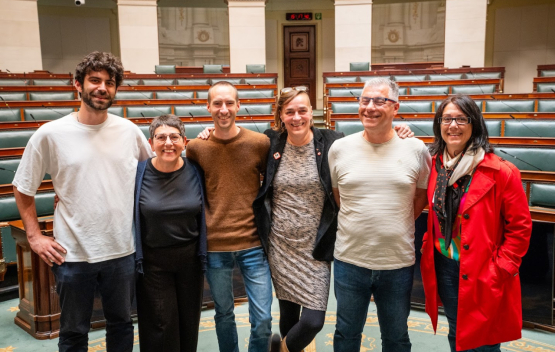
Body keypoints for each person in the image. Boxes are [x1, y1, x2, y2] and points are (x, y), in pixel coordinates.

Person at [253, 87, 414, 352]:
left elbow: (367, 141)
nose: (296, 117)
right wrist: (207, 133)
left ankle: (280, 350)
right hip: (281, 244)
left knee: (313, 320)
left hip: (316, 245)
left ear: (311, 113)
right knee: (289, 315)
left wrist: (399, 132)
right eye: (289, 111)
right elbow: (237, 145)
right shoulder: (269, 142)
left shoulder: (332, 141)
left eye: (302, 110)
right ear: (280, 114)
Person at [12, 51, 152, 352]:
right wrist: (35, 236)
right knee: (74, 332)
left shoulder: (129, 131)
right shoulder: (50, 134)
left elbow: (153, 174)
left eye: (110, 83)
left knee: (122, 325)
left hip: (122, 251)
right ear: (78, 84)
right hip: (72, 254)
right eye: (95, 80)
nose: (102, 88)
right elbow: (23, 187)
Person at [420, 95, 532, 352]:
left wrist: (502, 267)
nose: (453, 125)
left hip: (485, 270)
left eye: (462, 118)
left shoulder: (502, 171)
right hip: (446, 265)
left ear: (475, 125)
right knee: (456, 332)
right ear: (439, 124)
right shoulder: (434, 164)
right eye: (447, 119)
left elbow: (520, 227)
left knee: (485, 341)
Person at [328, 77, 431, 352]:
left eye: (379, 100)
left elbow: (419, 198)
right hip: (350, 260)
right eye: (364, 100)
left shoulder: (417, 149)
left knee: (396, 338)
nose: (370, 107)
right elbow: (341, 198)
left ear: (395, 108)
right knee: (346, 335)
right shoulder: (339, 149)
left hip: (397, 262)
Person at [185, 81, 272, 352]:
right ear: (208, 107)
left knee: (264, 319)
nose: (224, 110)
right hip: (215, 247)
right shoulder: (197, 147)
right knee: (224, 314)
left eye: (229, 103)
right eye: (217, 104)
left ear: (238, 106)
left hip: (253, 245)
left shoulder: (260, 143)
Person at [133, 114, 207, 352]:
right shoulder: (137, 173)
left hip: (190, 260)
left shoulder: (196, 170)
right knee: (161, 327)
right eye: (161, 137)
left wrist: (208, 135)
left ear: (184, 141)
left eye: (174, 137)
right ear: (151, 142)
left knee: (188, 323)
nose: (168, 143)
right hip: (153, 263)